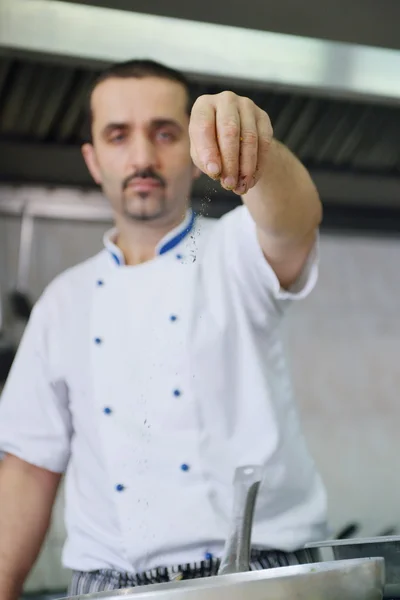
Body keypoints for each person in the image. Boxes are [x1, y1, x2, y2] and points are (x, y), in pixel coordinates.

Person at [0, 59, 328, 599]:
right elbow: (28, 471)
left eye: (165, 133)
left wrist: (255, 151)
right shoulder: (62, 304)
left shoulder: (235, 253)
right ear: (93, 159)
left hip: (265, 578)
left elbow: (294, 221)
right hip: (112, 588)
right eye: (118, 135)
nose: (143, 157)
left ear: (196, 151)